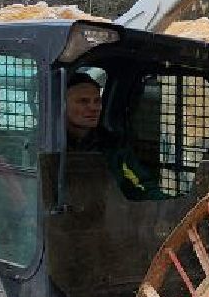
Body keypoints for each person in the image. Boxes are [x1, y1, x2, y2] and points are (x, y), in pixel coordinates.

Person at [64, 71, 162, 201]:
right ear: (62, 105)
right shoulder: (45, 143)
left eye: (97, 101)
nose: (94, 108)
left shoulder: (112, 145)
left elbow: (142, 186)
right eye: (83, 101)